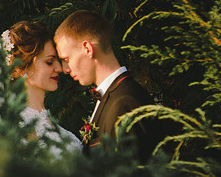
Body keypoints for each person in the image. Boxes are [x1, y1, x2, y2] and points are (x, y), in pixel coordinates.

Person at [0, 21, 83, 157]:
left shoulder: (47, 120)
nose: (59, 68)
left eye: (57, 60)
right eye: (49, 62)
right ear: (21, 68)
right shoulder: (15, 124)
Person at [54, 9, 155, 157]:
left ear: (88, 49)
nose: (65, 69)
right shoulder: (112, 96)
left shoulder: (125, 103)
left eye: (67, 59)